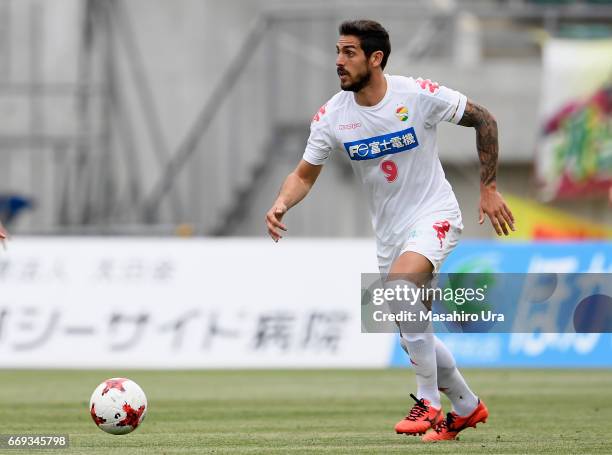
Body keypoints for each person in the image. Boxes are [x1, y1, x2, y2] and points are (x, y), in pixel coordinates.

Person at [265, 19, 514, 442]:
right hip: (391, 235)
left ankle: (429, 403)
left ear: (375, 58)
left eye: (349, 53)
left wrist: (488, 188)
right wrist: (282, 201)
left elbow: (484, 119)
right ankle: (468, 407)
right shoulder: (332, 117)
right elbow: (304, 175)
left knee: (398, 290)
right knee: (413, 335)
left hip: (435, 215)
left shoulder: (417, 95)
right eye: (338, 52)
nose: (339, 62)